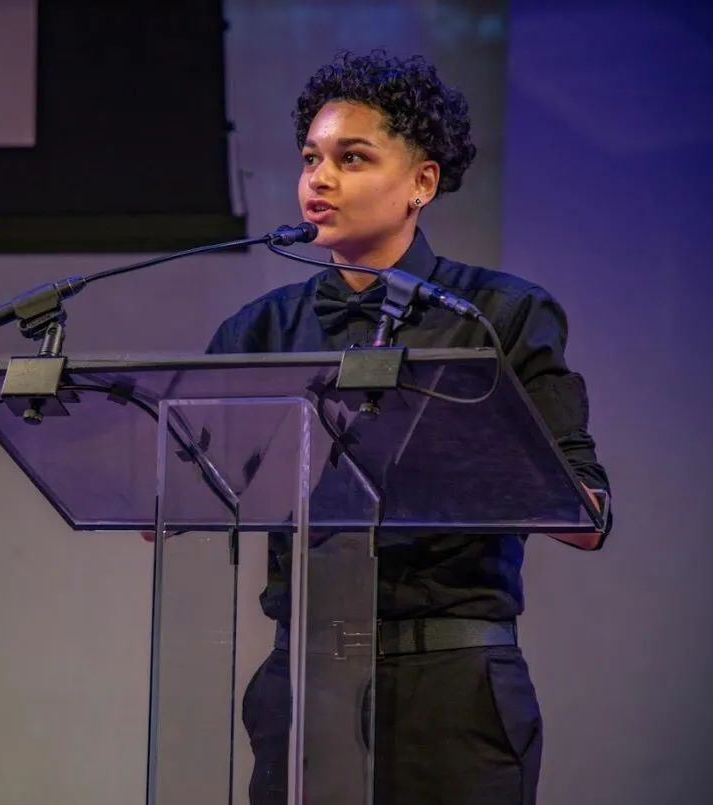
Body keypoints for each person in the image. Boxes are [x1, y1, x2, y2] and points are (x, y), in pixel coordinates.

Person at [204, 50, 613, 805]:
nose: (319, 179)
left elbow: (585, 516)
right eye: (310, 159)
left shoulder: (498, 316)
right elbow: (179, 491)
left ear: (421, 182)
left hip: (450, 690)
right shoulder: (257, 332)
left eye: (351, 158)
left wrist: (465, 452)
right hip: (302, 686)